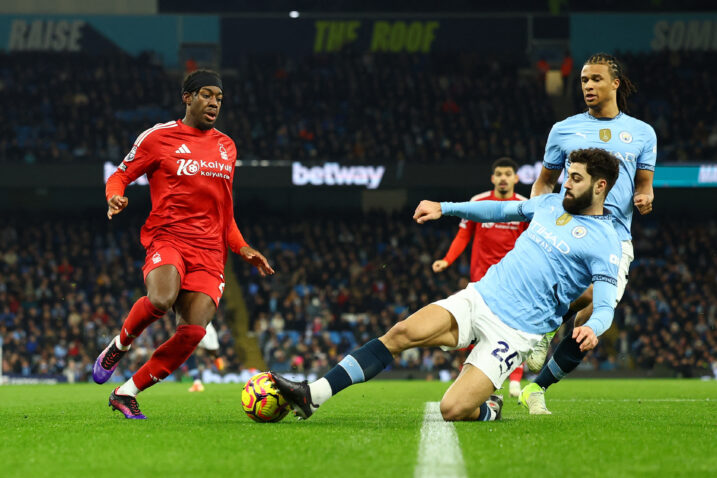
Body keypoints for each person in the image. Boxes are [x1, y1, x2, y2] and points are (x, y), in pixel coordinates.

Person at [271, 148, 621, 422]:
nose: (566, 184)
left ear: (600, 185)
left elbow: (605, 305)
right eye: (567, 176)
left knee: (452, 410)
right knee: (401, 333)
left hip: (516, 332)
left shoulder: (605, 241)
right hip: (480, 297)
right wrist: (445, 208)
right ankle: (312, 395)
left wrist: (593, 327)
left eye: (575, 178)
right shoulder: (548, 204)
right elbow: (499, 212)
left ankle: (490, 409)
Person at [93, 69, 275, 419]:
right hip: (169, 237)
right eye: (207, 95)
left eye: (219, 98)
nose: (214, 103)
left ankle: (126, 392)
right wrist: (115, 197)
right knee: (161, 299)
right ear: (188, 97)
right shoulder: (158, 138)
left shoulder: (227, 146)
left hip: (210, 252)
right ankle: (119, 345)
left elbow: (225, 213)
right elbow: (119, 175)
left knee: (193, 332)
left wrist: (244, 248)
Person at [519, 52, 656, 414]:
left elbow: (644, 184)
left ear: (615, 83)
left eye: (595, 79)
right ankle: (540, 334)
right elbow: (545, 182)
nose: (588, 86)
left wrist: (645, 196)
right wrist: (538, 217)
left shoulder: (643, 133)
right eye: (583, 81)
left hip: (614, 236)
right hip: (572, 230)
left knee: (588, 323)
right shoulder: (563, 129)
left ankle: (536, 389)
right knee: (591, 299)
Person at [432, 157, 529, 397]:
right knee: (478, 330)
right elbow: (463, 235)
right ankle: (477, 378)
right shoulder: (478, 202)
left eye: (508, 173)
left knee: (513, 328)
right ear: (493, 178)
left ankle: (515, 378)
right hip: (482, 281)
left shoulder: (526, 206)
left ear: (516, 179)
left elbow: (530, 243)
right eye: (499, 173)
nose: (503, 178)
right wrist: (448, 259)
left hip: (513, 279)